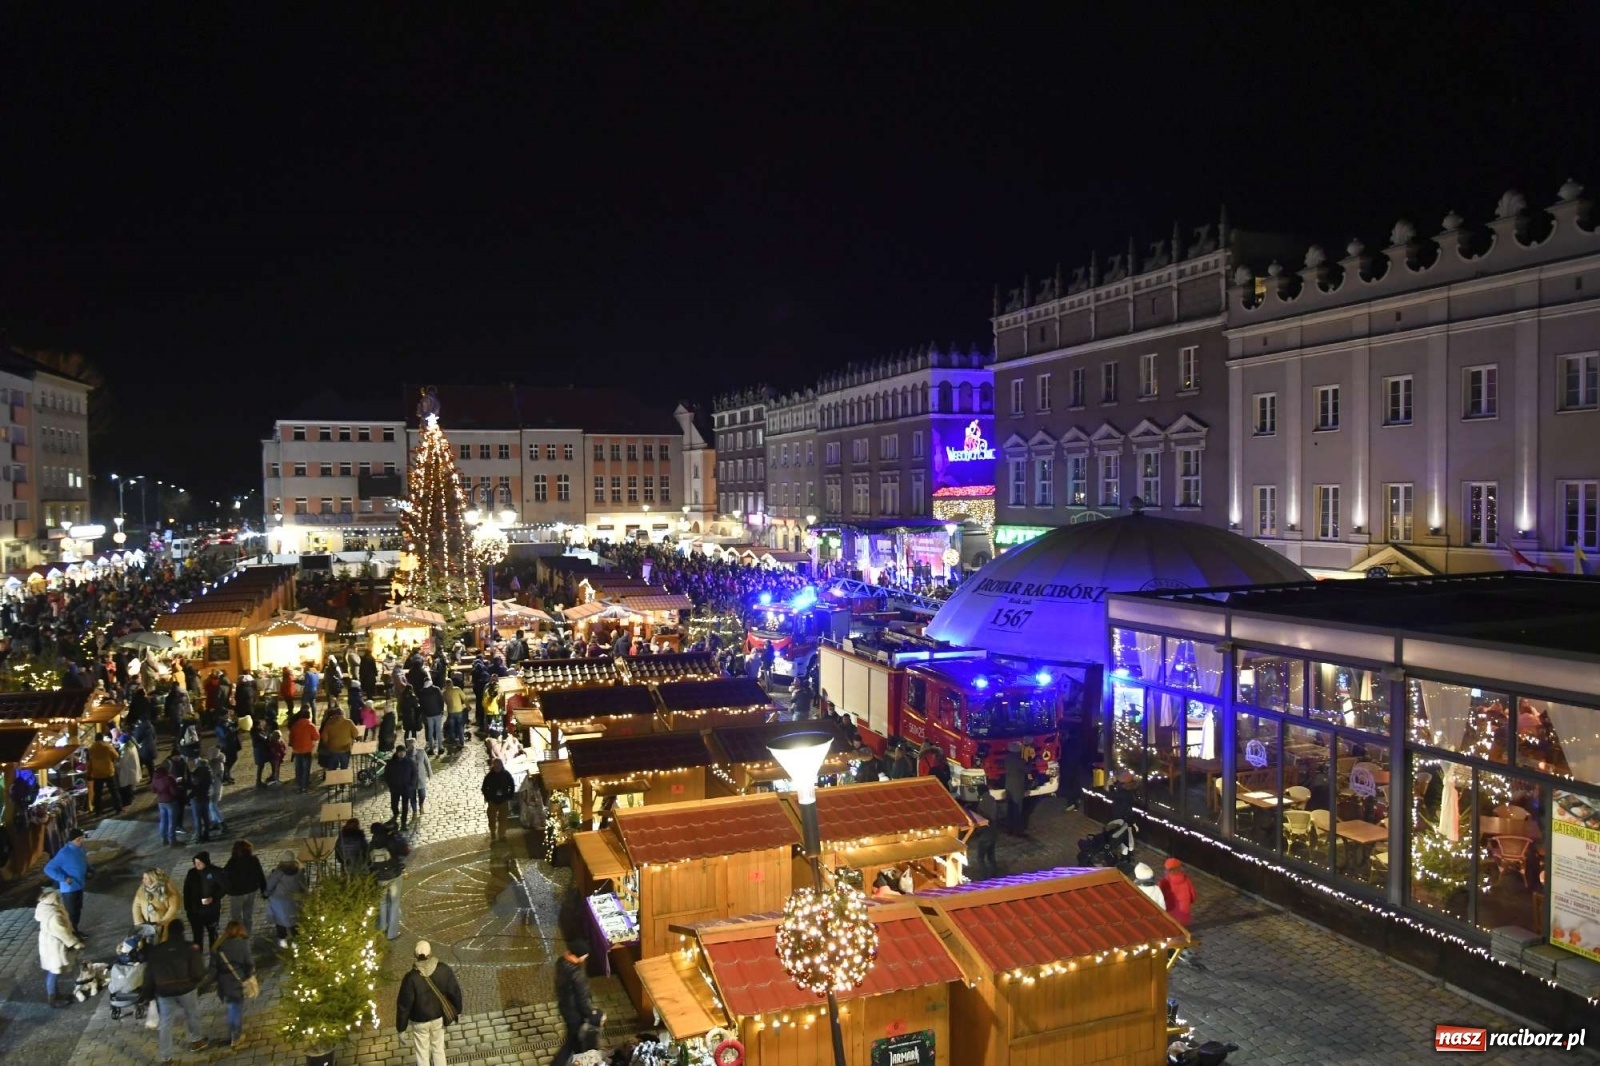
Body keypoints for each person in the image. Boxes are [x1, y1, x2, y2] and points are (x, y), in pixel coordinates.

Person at [144, 917, 209, 1061]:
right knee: (192, 1014)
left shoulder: (156, 951)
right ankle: (196, 1040)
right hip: (186, 989)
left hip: (164, 992)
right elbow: (198, 972)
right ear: (182, 931)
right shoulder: (189, 947)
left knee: (166, 1024)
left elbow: (149, 975)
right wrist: (197, 981)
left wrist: (148, 994)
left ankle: (166, 1058)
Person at [396, 939, 463, 1066]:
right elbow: (454, 991)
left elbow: (404, 1005)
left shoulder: (410, 978)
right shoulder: (443, 969)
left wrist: (401, 1028)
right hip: (438, 1017)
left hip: (419, 1021)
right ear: (430, 952)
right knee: (438, 1049)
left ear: (415, 955)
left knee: (422, 1054)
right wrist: (458, 1010)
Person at [552, 938, 599, 1066]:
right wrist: (590, 1014)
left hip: (565, 1007)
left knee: (575, 1041)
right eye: (585, 955)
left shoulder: (561, 962)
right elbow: (582, 998)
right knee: (572, 1042)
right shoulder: (577, 974)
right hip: (575, 1012)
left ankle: (581, 1060)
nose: (586, 957)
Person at [35, 886, 83, 1008]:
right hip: (53, 946)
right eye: (57, 897)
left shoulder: (45, 907)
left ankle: (56, 994)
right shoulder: (54, 916)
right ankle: (53, 998)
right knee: (53, 971)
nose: (59, 899)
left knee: (53, 971)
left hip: (49, 943)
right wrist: (75, 943)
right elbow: (62, 933)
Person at [211, 920, 255, 1048]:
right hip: (236, 982)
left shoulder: (218, 946)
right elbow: (249, 964)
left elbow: (213, 968)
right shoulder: (242, 945)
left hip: (223, 983)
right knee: (235, 1009)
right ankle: (235, 1037)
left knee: (231, 1008)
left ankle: (233, 1034)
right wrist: (248, 977)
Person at [42, 827, 91, 933]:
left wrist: (89, 869)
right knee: (71, 913)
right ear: (75, 839)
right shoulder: (64, 853)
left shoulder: (80, 849)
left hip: (79, 885)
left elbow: (83, 862)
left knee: (77, 911)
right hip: (69, 890)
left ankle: (75, 931)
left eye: (82, 838)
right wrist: (64, 878)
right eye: (81, 838)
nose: (83, 840)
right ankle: (71, 934)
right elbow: (48, 868)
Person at [183, 851, 225, 953]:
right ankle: (198, 961)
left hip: (211, 912)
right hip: (195, 913)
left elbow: (223, 888)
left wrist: (213, 898)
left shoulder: (216, 872)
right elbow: (186, 891)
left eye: (199, 863)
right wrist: (188, 909)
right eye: (195, 863)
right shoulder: (192, 873)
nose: (196, 865)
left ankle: (215, 960)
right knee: (197, 938)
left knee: (213, 936)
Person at [265, 851, 305, 949]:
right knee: (294, 922)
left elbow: (269, 886)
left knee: (280, 922)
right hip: (294, 901)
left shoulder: (278, 873)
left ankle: (282, 941)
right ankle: (296, 943)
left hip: (279, 902)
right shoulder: (299, 872)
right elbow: (303, 886)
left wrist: (266, 894)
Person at [225, 839, 267, 931]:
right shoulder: (253, 859)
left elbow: (225, 877)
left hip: (237, 893)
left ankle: (240, 935)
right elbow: (260, 875)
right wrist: (264, 890)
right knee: (248, 915)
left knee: (236, 916)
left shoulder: (232, 862)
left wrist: (227, 890)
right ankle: (247, 935)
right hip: (251, 890)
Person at [133, 867, 183, 940]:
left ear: (153, 878)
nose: (143, 880)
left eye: (145, 878)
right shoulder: (142, 890)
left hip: (163, 925)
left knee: (163, 942)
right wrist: (138, 922)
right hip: (147, 925)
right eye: (143, 878)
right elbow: (136, 905)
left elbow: (173, 907)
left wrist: (163, 922)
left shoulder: (167, 889)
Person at [384, 745, 419, 831]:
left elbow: (414, 774)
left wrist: (411, 785)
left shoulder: (410, 762)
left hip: (406, 789)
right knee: (394, 804)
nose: (401, 754)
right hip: (395, 789)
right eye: (400, 752)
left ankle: (403, 823)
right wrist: (390, 785)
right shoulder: (391, 763)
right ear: (396, 753)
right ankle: (396, 813)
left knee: (405, 806)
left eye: (403, 752)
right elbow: (386, 775)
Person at [87, 732, 123, 814]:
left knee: (98, 793)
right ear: (102, 738)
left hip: (97, 773)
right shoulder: (107, 746)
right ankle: (118, 809)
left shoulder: (91, 748)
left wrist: (89, 774)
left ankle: (98, 811)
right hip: (108, 772)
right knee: (114, 791)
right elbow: (116, 756)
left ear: (95, 739)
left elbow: (90, 763)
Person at [481, 757, 515, 843]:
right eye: (495, 766)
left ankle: (502, 835)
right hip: (493, 801)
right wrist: (488, 798)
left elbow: (511, 785)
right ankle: (493, 831)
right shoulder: (489, 776)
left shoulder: (506, 775)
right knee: (491, 818)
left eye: (498, 766)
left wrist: (509, 796)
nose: (497, 768)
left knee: (503, 819)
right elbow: (484, 788)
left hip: (503, 800)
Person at [1159, 858, 1198, 928]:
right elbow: (1193, 896)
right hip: (1184, 915)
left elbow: (1160, 897)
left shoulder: (1164, 882)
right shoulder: (1186, 880)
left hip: (1170, 914)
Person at [288, 710, 319, 793]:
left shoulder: (295, 725)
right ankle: (304, 787)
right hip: (306, 750)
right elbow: (316, 737)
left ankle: (298, 786)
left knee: (298, 769)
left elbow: (291, 738)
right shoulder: (310, 726)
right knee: (306, 770)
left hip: (297, 750)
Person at [1003, 741, 1029, 834]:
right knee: (1017, 808)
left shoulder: (1007, 758)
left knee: (1010, 807)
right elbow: (1027, 769)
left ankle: (1008, 828)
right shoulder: (1019, 760)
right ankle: (1017, 829)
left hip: (1009, 785)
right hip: (1017, 786)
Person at [418, 675, 445, 756]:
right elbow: (441, 700)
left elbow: (421, 704)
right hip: (437, 713)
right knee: (438, 731)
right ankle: (440, 747)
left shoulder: (422, 692)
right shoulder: (436, 689)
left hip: (428, 714)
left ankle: (431, 749)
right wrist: (442, 710)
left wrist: (424, 713)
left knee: (430, 731)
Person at [409, 738, 432, 818]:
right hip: (410, 779)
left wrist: (430, 773)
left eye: (413, 744)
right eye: (410, 744)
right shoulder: (406, 754)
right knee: (412, 796)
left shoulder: (421, 751)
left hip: (421, 777)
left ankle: (421, 805)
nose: (412, 746)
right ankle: (414, 811)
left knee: (422, 794)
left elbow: (427, 762)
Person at [442, 675, 466, 749]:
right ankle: (462, 741)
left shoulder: (444, 693)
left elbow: (445, 702)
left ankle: (452, 740)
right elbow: (464, 698)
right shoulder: (457, 689)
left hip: (451, 711)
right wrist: (467, 706)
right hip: (459, 710)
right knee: (460, 726)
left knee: (451, 727)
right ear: (452, 683)